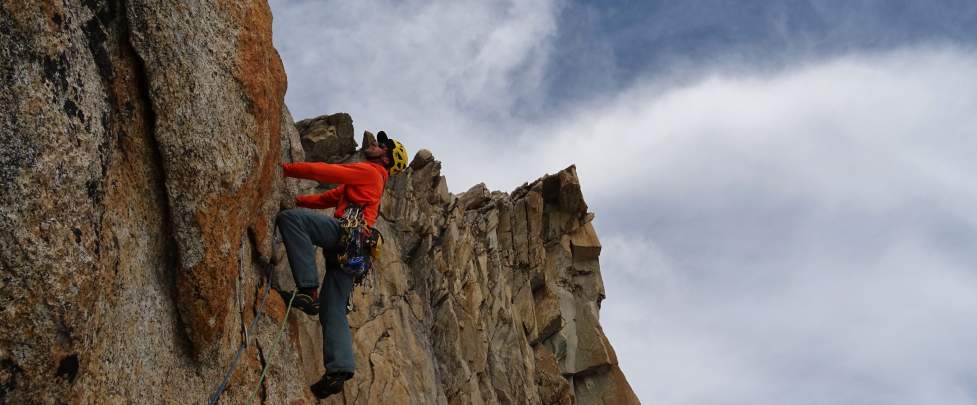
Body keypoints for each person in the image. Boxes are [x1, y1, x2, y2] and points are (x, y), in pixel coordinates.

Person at [276, 131, 408, 399]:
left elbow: (327, 172)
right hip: (356, 253)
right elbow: (328, 198)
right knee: (332, 309)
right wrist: (300, 200)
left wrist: (284, 170)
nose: (374, 145)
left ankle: (307, 290)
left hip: (345, 236)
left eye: (382, 146)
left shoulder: (370, 172)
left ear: (386, 158)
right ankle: (339, 370)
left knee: (292, 220)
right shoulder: (367, 184)